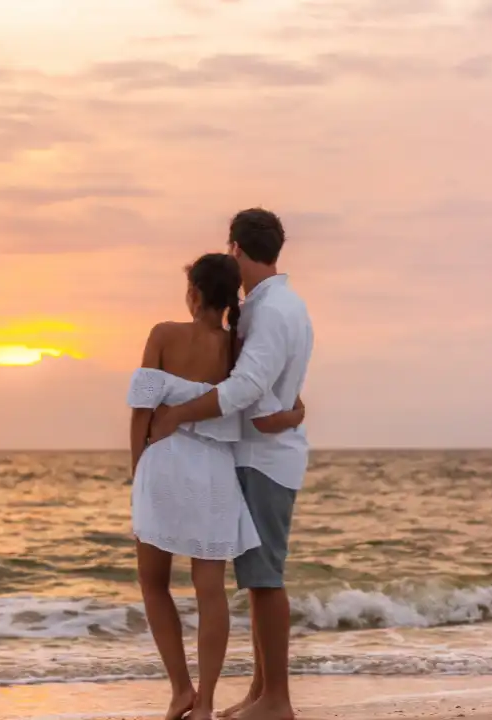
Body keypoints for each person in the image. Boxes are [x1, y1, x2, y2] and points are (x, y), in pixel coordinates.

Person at [148, 208, 314, 720]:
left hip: (263, 462)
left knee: (264, 580)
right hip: (261, 454)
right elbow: (273, 381)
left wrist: (178, 414)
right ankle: (261, 693)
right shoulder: (276, 305)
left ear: (237, 250)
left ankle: (277, 699)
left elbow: (246, 386)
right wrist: (291, 412)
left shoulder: (271, 311)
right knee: (257, 578)